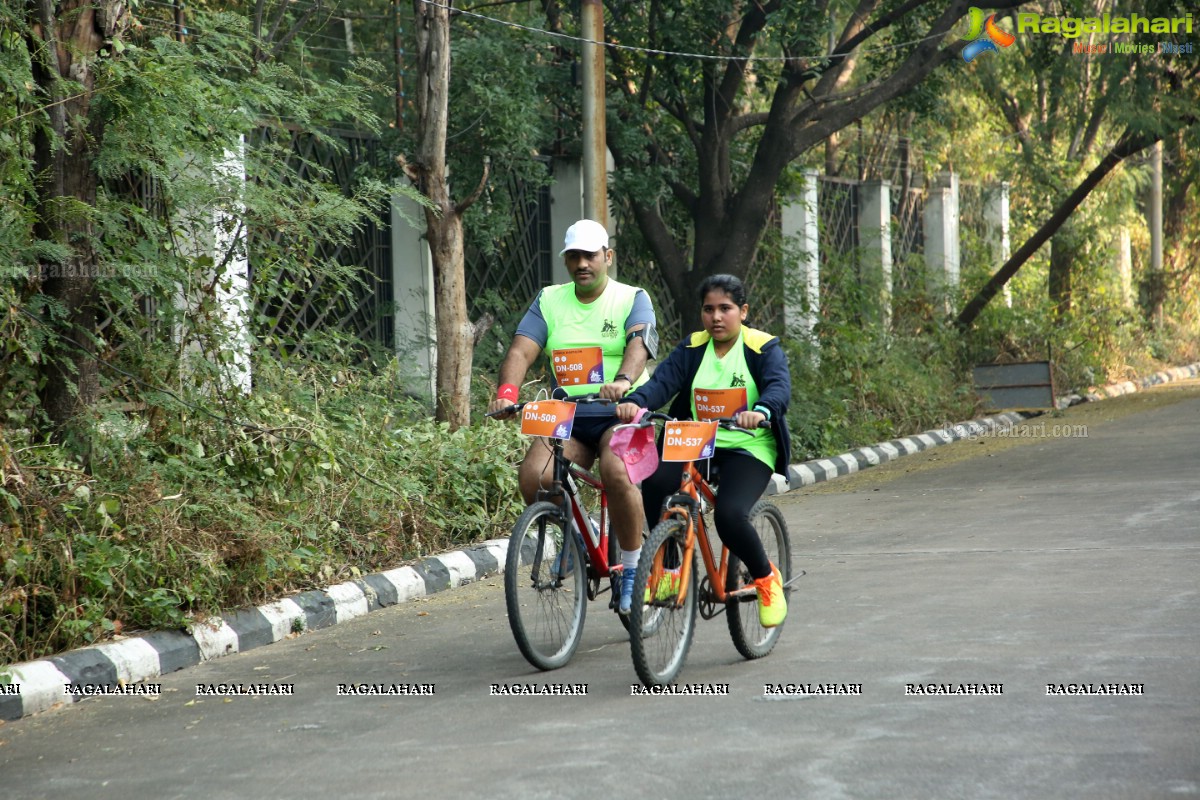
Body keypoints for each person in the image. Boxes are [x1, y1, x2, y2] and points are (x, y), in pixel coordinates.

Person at [488, 219, 658, 614]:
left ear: (607, 257)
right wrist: (507, 394)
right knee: (536, 477)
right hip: (569, 413)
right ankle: (581, 538)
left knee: (617, 474)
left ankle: (632, 570)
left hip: (621, 410)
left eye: (590, 255)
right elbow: (521, 351)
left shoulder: (633, 296)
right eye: (574, 257)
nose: (582, 263)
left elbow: (640, 343)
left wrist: (622, 380)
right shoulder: (549, 300)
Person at [615, 273, 792, 627]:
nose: (716, 317)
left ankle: (766, 578)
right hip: (695, 443)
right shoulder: (693, 348)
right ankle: (669, 565)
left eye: (725, 308)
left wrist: (761, 412)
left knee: (729, 515)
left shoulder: (762, 347)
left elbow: (778, 387)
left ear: (742, 311)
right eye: (709, 309)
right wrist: (634, 403)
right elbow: (663, 382)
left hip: (747, 448)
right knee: (653, 482)